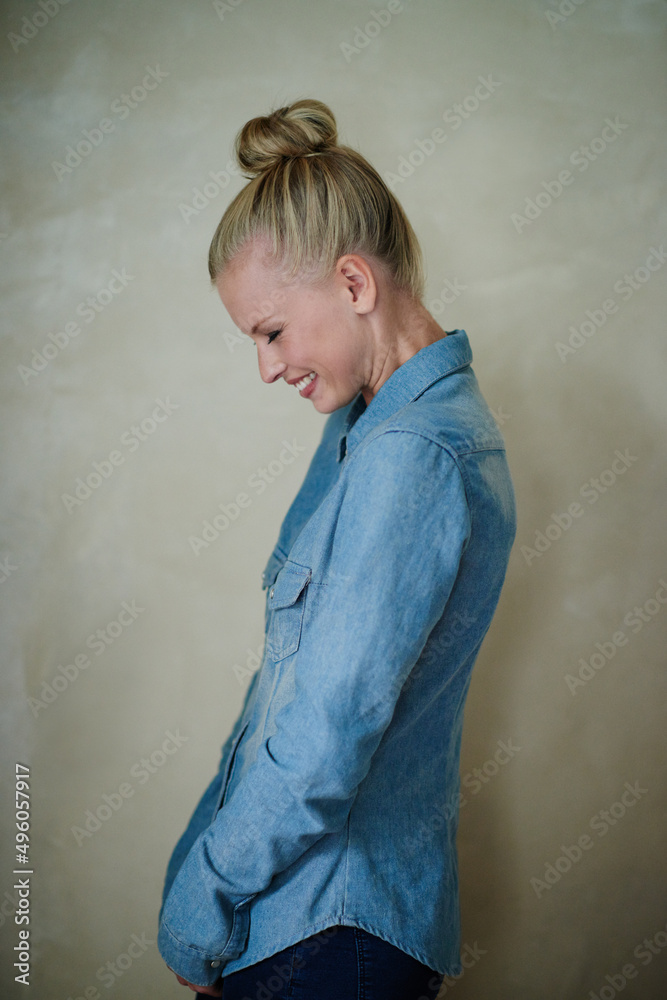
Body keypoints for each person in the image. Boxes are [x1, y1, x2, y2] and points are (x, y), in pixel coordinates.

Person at [157, 98, 516, 1000]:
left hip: (326, 937)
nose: (267, 367)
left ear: (354, 285)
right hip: (307, 926)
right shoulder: (379, 424)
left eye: (270, 331)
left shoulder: (411, 458)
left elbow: (320, 745)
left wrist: (199, 906)